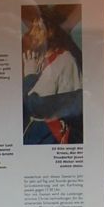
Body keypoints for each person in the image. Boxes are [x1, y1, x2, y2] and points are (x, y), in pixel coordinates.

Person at [22, 7, 83, 145]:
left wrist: (29, 76)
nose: (31, 32)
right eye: (32, 27)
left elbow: (35, 105)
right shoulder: (41, 59)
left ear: (50, 31)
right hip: (38, 135)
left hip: (51, 138)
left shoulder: (64, 60)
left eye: (37, 27)